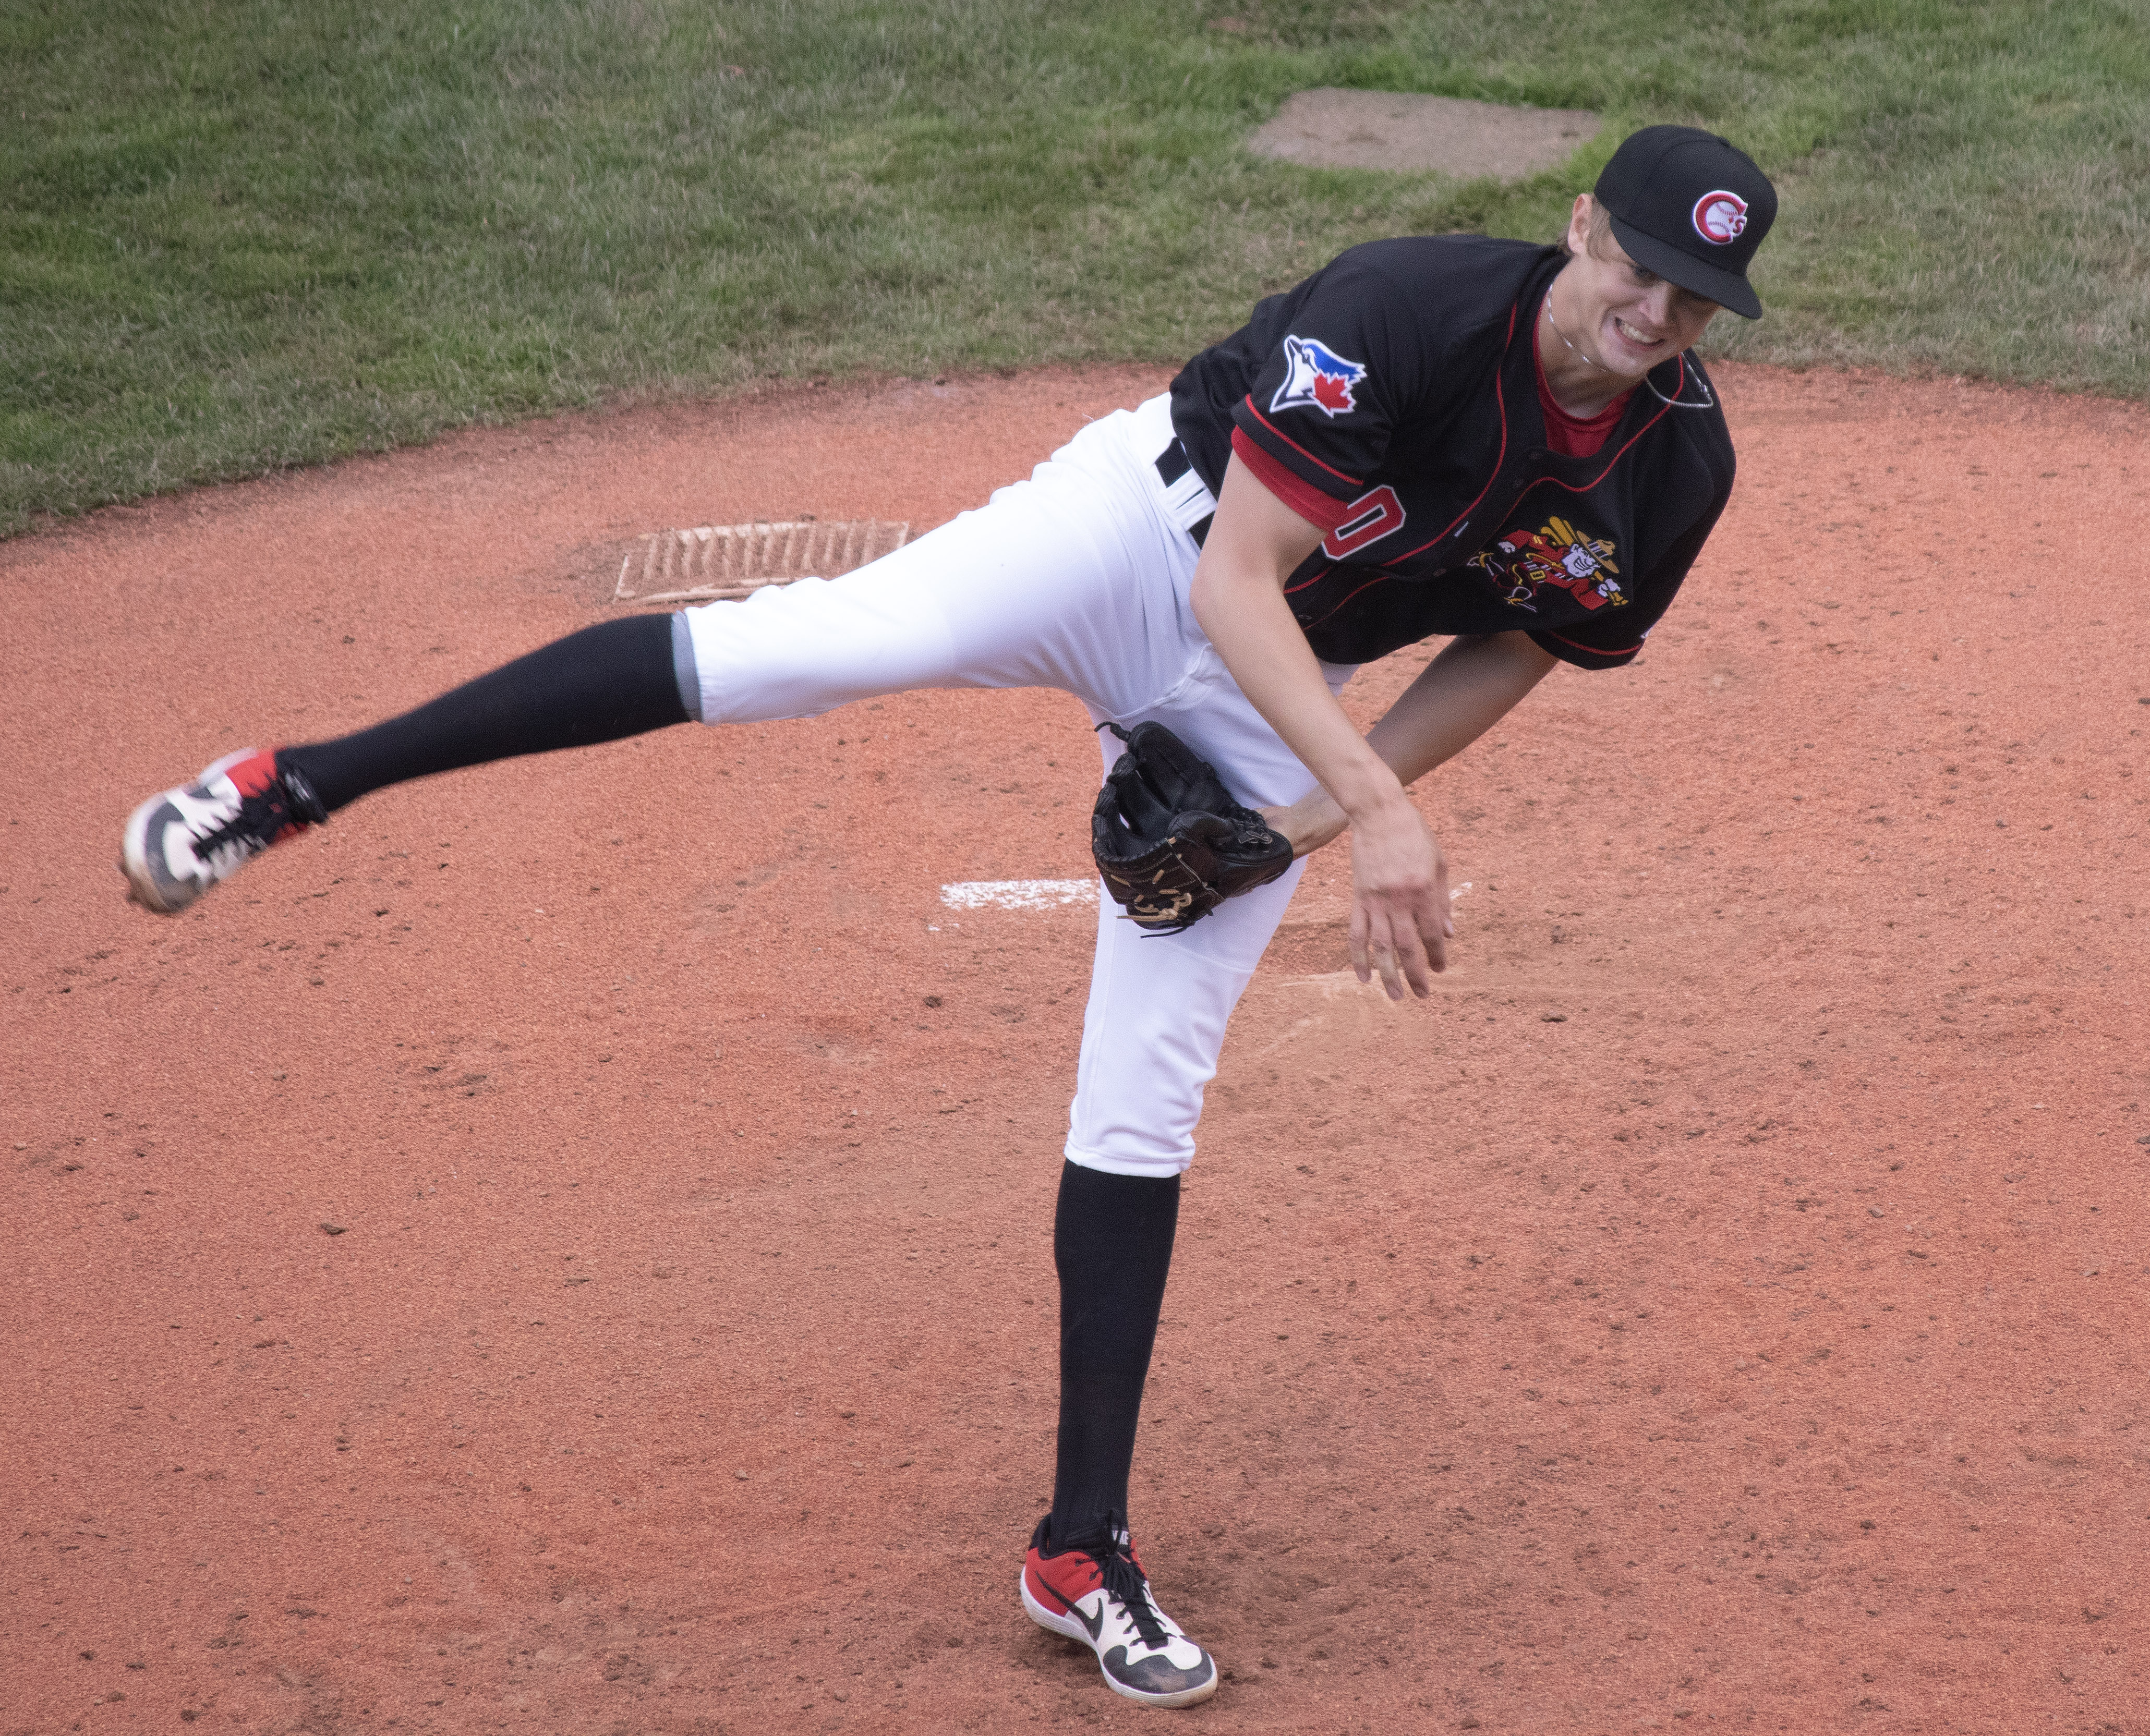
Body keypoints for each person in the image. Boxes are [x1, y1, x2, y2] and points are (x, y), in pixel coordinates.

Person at [120, 124, 1775, 1709]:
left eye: (1699, 302)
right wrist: (1384, 806)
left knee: (1152, 1083)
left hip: (1293, 699)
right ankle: (294, 783)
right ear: (1581, 225)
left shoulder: (1674, 461)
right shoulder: (1401, 309)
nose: (1660, 316)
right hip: (1136, 543)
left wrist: (1294, 819)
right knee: (801, 650)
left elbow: (1523, 643)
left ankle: (1081, 1550)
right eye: (1642, 269)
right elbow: (1232, 583)